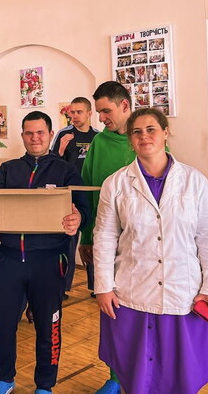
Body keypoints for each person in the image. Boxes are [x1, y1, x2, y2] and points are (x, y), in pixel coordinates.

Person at [94, 108, 208, 393]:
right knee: (136, 374)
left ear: (166, 133)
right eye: (137, 132)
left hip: (184, 292)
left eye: (151, 129)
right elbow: (105, 236)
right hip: (133, 291)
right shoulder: (116, 184)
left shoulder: (195, 182)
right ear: (130, 140)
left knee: (182, 374)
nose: (145, 136)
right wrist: (103, 286)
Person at [0, 111, 90, 394]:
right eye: (29, 133)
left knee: (47, 327)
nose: (34, 138)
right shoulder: (8, 169)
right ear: (23, 136)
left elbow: (84, 210)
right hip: (9, 259)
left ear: (51, 135)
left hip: (48, 262)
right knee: (2, 324)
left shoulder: (66, 172)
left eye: (40, 132)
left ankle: (45, 385)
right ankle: (4, 377)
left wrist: (79, 220)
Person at [78, 81, 135, 394]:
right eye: (98, 111)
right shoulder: (99, 143)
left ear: (125, 105)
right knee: (112, 309)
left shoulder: (147, 137)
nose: (100, 118)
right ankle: (115, 377)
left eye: (106, 111)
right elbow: (88, 189)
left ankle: (141, 371)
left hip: (141, 244)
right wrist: (87, 236)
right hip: (107, 239)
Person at [50, 97, 99, 298]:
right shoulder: (64, 134)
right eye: (72, 112)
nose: (75, 116)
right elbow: (51, 163)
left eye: (79, 112)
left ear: (89, 113)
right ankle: (63, 287)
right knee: (68, 241)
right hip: (70, 195)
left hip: (93, 193)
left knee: (96, 239)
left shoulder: (98, 137)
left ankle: (97, 286)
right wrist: (61, 149)